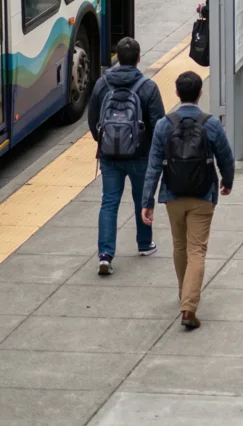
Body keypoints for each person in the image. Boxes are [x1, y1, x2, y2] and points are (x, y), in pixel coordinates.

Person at [141, 70, 234, 330]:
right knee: (197, 250)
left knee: (180, 246)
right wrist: (227, 182)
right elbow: (225, 157)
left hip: (173, 194)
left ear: (177, 93)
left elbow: (153, 166)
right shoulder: (211, 123)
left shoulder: (163, 125)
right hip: (203, 196)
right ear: (200, 93)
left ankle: (185, 292)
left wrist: (147, 201)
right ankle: (189, 307)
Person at [88, 35, 165, 276]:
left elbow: (93, 120)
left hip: (110, 156)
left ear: (117, 58)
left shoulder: (102, 84)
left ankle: (105, 254)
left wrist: (105, 142)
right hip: (140, 155)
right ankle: (144, 244)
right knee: (142, 199)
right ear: (139, 59)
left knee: (109, 202)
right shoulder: (148, 87)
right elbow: (159, 124)